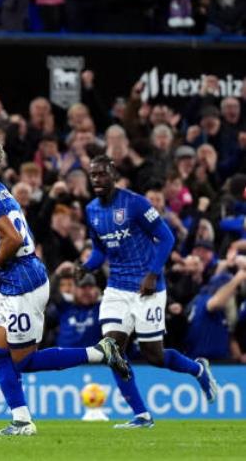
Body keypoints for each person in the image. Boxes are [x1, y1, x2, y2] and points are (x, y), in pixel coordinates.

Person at [0, 134, 129, 436]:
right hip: (14, 279)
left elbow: (14, 238)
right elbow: (10, 235)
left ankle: (101, 351)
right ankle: (21, 421)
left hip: (23, 282)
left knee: (24, 361)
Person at [79, 154, 218, 429]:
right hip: (117, 288)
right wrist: (85, 267)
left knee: (154, 355)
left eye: (102, 174)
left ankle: (198, 369)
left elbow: (167, 237)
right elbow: (100, 250)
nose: (97, 179)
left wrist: (153, 274)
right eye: (93, 175)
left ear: (113, 174)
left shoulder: (135, 203)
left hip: (148, 289)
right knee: (112, 351)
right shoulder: (92, 210)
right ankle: (141, 415)